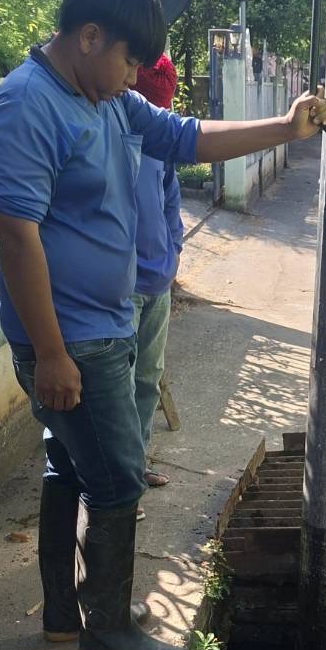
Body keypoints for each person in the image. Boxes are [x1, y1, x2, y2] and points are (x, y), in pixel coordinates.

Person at [0, 0, 326, 650]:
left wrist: (284, 127)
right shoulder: (27, 105)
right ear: (88, 36)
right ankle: (104, 629)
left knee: (72, 463)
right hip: (71, 340)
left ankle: (67, 612)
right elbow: (16, 235)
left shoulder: (104, 100)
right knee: (118, 481)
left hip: (98, 328)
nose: (134, 74)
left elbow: (189, 137)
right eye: (128, 58)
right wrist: (50, 352)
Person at [129, 54, 183, 510]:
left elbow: (171, 204)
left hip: (156, 283)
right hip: (117, 290)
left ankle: (139, 460)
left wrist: (173, 253)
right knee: (114, 386)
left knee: (147, 378)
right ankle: (119, 486)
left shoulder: (161, 148)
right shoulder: (110, 141)